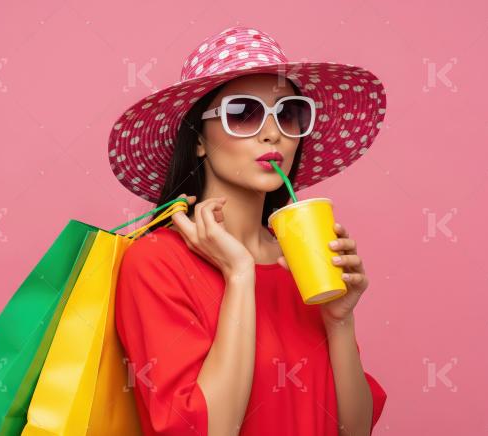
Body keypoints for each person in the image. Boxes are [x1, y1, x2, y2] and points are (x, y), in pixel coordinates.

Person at [108, 25, 387, 436]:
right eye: (243, 112)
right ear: (199, 139)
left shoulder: (305, 266)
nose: (272, 132)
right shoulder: (155, 263)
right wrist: (239, 274)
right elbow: (210, 430)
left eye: (287, 113)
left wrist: (340, 321)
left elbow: (354, 430)